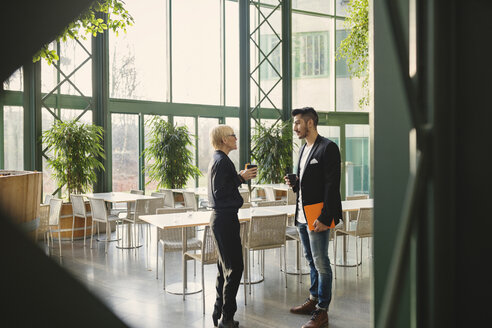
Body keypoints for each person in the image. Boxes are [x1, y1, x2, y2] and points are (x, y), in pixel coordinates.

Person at [284, 107, 343, 328]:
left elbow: (331, 185)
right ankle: (314, 299)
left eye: (298, 122)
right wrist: (295, 183)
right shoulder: (303, 149)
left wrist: (325, 217)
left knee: (322, 263)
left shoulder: (328, 148)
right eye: (294, 123)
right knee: (311, 261)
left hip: (318, 217)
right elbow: (309, 183)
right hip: (301, 216)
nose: (295, 127)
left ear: (310, 123)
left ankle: (322, 311)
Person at [207, 125, 257, 328]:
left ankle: (219, 311)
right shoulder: (222, 161)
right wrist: (240, 178)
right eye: (232, 136)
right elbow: (220, 192)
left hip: (223, 219)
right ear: (223, 139)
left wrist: (237, 177)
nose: (236, 138)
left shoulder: (219, 160)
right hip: (225, 219)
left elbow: (221, 187)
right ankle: (227, 318)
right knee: (235, 268)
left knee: (224, 267)